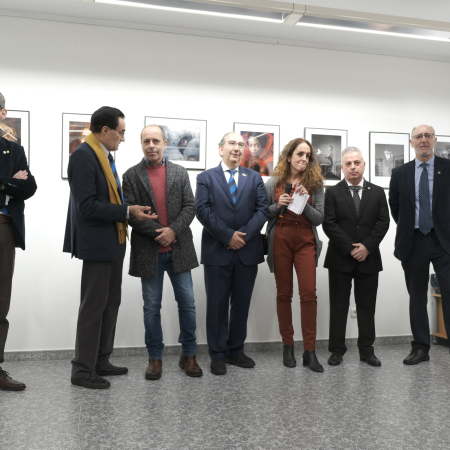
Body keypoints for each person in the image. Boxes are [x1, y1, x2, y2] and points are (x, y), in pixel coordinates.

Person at [63, 106, 157, 389]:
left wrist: (129, 211)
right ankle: (82, 370)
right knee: (93, 307)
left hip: (113, 241)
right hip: (97, 245)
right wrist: (128, 211)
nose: (123, 138)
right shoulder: (83, 156)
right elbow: (87, 206)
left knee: (110, 303)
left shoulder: (104, 155)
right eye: (121, 132)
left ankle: (101, 360)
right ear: (105, 130)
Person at [122, 125, 202, 380]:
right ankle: (154, 358)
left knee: (187, 305)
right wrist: (160, 233)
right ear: (141, 144)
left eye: (156, 141)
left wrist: (173, 231)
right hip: (149, 251)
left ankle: (189, 355)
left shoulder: (180, 172)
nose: (151, 146)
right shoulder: (131, 175)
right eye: (146, 141)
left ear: (165, 144)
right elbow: (130, 214)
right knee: (151, 307)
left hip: (179, 249)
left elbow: (190, 206)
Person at [196, 132, 268, 375]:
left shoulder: (255, 177)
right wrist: (228, 236)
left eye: (240, 144)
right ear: (221, 149)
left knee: (242, 303)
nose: (237, 148)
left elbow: (262, 210)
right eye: (232, 143)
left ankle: (235, 350)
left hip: (247, 251)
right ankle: (217, 354)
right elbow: (202, 211)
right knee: (216, 305)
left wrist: (243, 237)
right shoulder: (206, 177)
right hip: (217, 251)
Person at [389, 125, 450, 365]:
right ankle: (421, 348)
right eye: (418, 136)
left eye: (427, 135)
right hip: (413, 241)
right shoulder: (399, 173)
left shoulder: (447, 168)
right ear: (411, 142)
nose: (423, 140)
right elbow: (396, 207)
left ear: (434, 140)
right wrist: (410, 228)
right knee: (416, 297)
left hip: (444, 241)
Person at [323, 147, 389, 367]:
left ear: (364, 165)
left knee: (367, 307)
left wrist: (367, 247)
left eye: (357, 163)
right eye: (348, 164)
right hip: (339, 258)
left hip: (369, 259)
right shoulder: (332, 192)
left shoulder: (377, 192)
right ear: (342, 167)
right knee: (338, 306)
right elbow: (329, 224)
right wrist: (351, 248)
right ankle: (336, 351)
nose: (353, 167)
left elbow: (383, 222)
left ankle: (367, 351)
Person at [265, 138, 325, 372]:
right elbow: (263, 212)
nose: (304, 159)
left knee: (309, 294)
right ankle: (288, 347)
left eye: (308, 155)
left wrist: (303, 201)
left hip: (305, 241)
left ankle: (309, 352)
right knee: (284, 294)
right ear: (289, 156)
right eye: (300, 154)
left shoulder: (315, 184)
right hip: (280, 238)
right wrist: (278, 204)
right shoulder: (273, 182)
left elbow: (319, 219)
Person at [0, 92, 37, 391]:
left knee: (0, 301)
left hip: (3, 229)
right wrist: (10, 182)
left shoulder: (13, 149)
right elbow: (17, 186)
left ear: (3, 113)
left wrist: (4, 183)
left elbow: (30, 187)